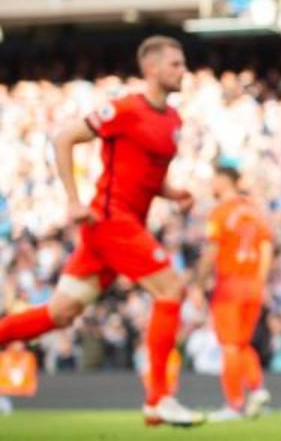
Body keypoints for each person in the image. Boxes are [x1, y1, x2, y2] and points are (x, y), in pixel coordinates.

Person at [0, 36, 205, 427]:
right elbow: (63, 137)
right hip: (111, 221)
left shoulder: (173, 121)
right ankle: (158, 399)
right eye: (176, 65)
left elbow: (144, 173)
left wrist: (170, 192)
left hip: (119, 228)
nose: (183, 71)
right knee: (171, 289)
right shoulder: (126, 108)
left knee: (61, 313)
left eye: (183, 64)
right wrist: (73, 200)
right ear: (152, 69)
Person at [198, 165, 272, 421]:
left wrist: (198, 284)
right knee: (242, 343)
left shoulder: (220, 212)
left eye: (214, 179)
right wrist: (260, 282)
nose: (211, 184)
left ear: (224, 180)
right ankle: (257, 388)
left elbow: (211, 252)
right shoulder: (253, 211)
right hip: (253, 285)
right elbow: (266, 248)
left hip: (230, 284)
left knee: (229, 345)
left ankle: (234, 404)